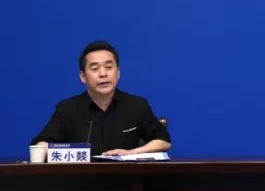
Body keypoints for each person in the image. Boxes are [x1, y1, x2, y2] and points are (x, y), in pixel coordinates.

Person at [31, 40, 171, 157]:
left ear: (118, 73)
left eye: (109, 67)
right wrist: (49, 149)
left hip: (127, 179)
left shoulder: (137, 105)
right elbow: (41, 144)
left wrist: (131, 153)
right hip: (81, 179)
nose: (103, 74)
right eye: (95, 68)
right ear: (83, 77)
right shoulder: (67, 109)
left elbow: (163, 141)